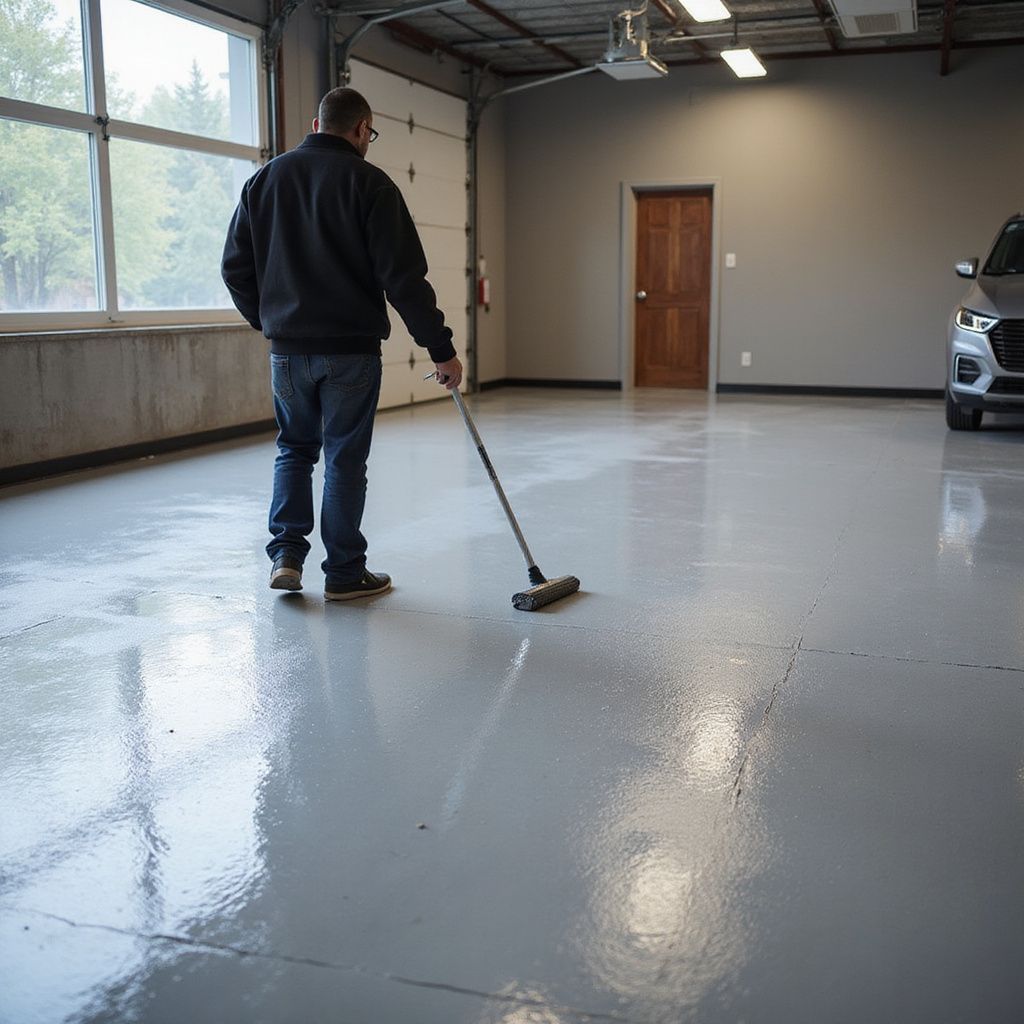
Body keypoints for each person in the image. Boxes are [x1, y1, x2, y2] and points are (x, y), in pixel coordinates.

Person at [222, 87, 462, 601]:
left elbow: (235, 268)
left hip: (287, 350)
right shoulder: (370, 183)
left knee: (294, 449)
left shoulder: (264, 180)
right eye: (370, 135)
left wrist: (270, 321)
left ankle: (286, 556)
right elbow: (404, 280)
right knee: (344, 460)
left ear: (315, 123)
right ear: (360, 128)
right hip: (351, 351)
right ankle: (345, 573)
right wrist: (440, 348)